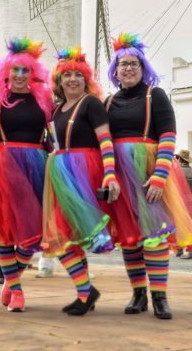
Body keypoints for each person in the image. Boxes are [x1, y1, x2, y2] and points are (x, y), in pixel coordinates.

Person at [105, 32, 192, 320]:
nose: (127, 68)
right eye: (122, 64)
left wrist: (160, 176)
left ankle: (159, 297)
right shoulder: (109, 102)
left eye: (133, 64)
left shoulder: (156, 95)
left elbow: (167, 135)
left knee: (155, 237)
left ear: (143, 69)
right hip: (120, 178)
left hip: (150, 174)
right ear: (115, 71)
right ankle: (138, 293)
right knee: (129, 238)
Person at [42, 47, 120, 316]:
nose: (72, 79)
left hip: (86, 173)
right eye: (67, 75)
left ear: (86, 79)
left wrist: (110, 173)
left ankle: (92, 293)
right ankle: (86, 291)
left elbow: (105, 141)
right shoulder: (55, 110)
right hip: (61, 175)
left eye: (78, 74)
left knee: (74, 234)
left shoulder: (91, 104)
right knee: (61, 236)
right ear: (59, 81)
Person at [0, 37, 53, 312]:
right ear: (6, 71)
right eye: (15, 69)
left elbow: (61, 128)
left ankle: (9, 280)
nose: (20, 75)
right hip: (3, 165)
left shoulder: (44, 99)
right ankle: (16, 291)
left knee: (34, 233)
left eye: (26, 70)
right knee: (5, 231)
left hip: (36, 166)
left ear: (34, 72)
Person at [175, 150, 192, 259]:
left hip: (183, 202)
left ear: (179, 159)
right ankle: (185, 250)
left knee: (181, 226)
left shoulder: (177, 172)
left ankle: (187, 251)